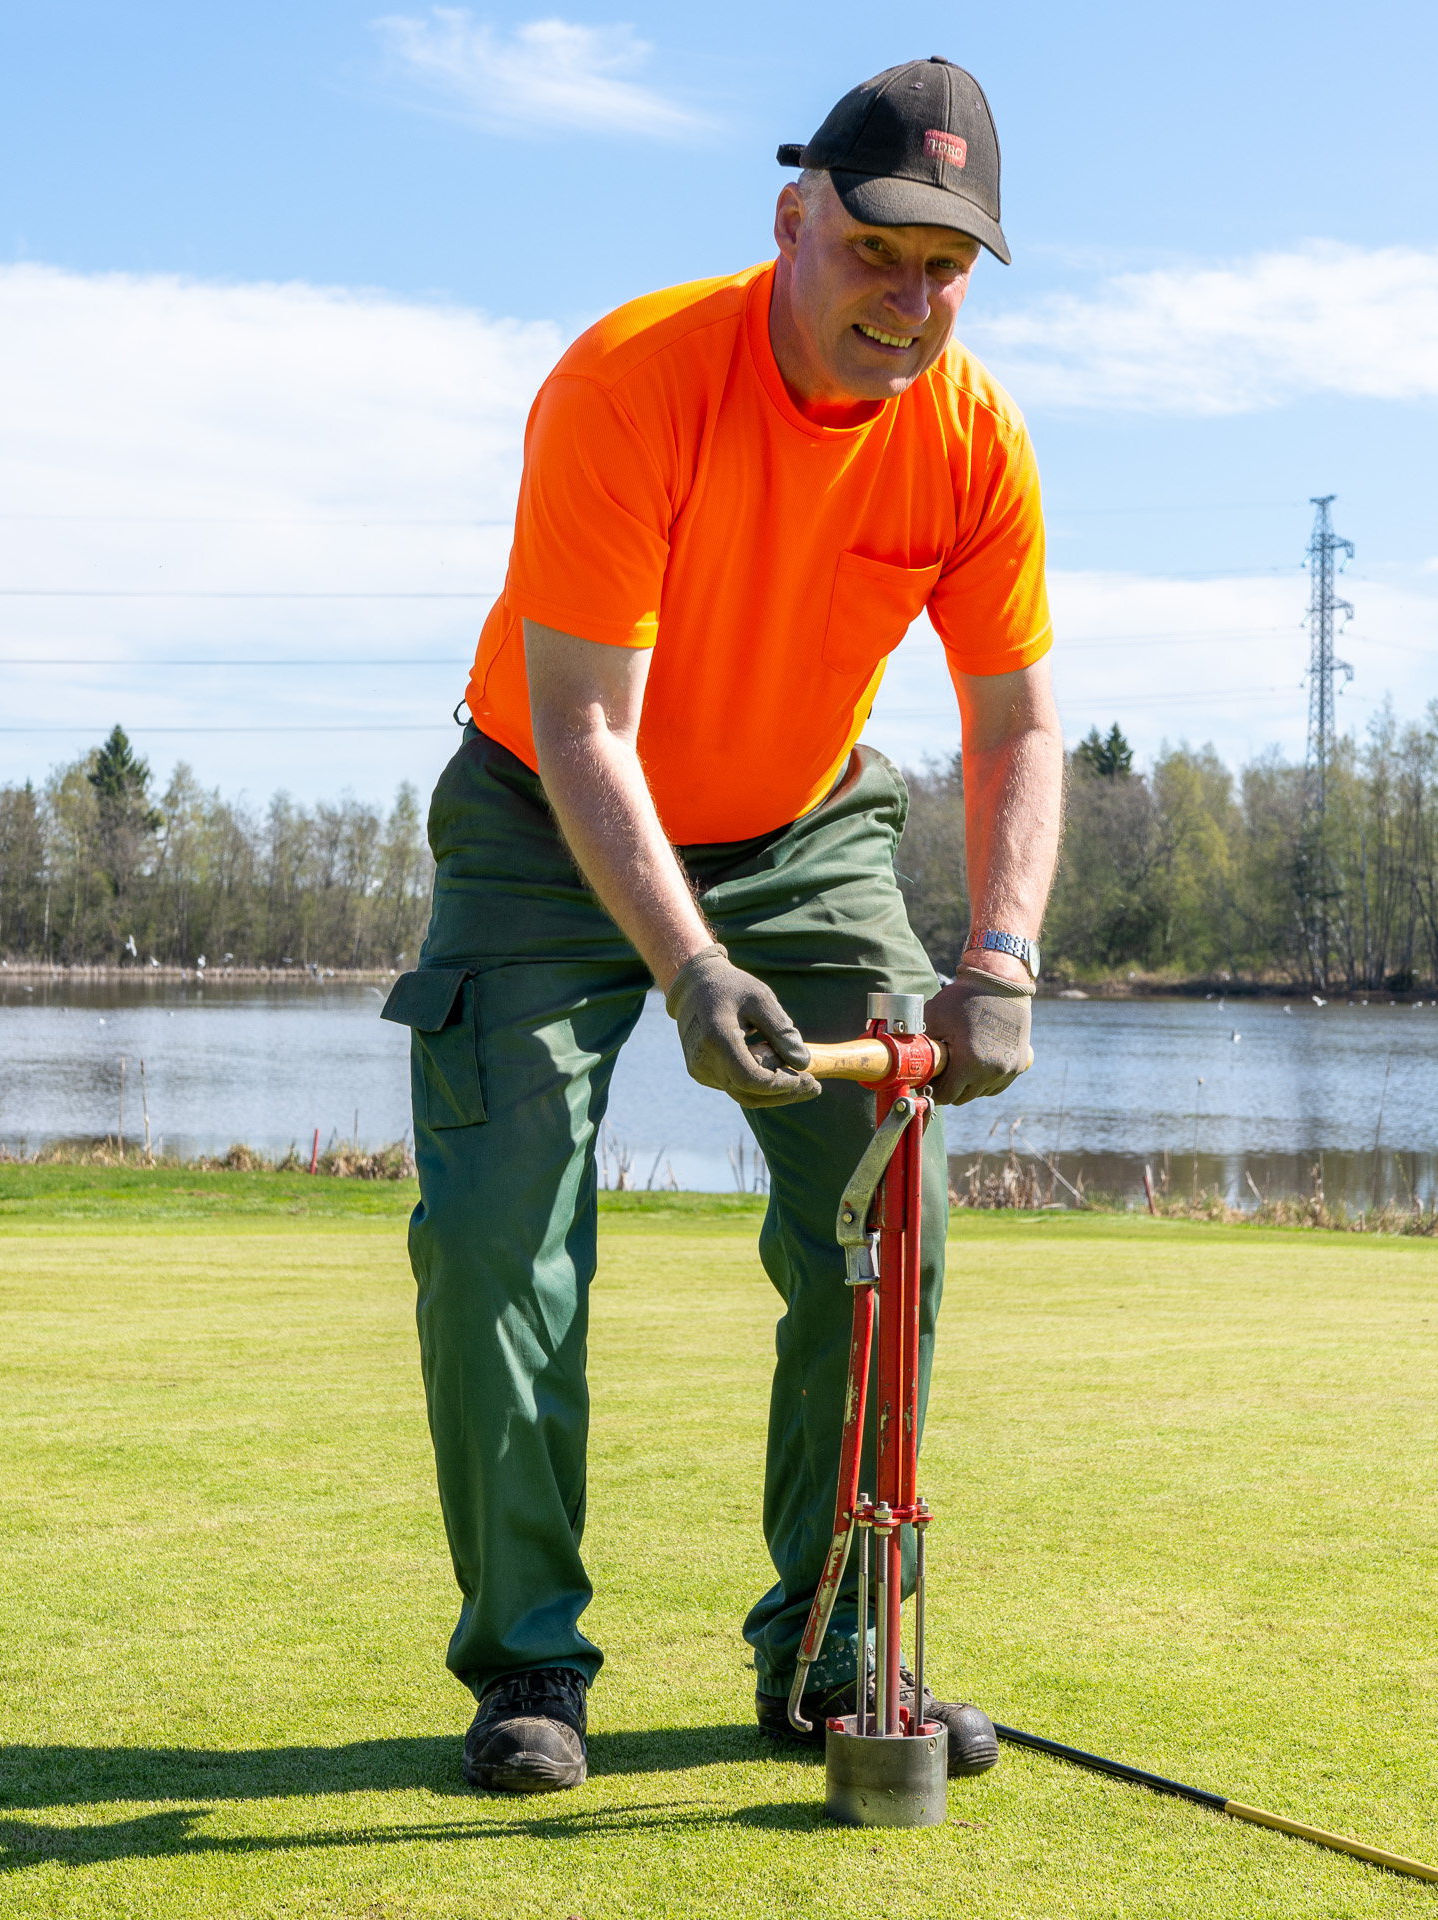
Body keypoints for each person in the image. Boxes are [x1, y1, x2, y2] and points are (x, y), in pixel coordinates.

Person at [383, 55, 1062, 1796]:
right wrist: (688, 970)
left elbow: (1014, 725)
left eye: (944, 273)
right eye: (876, 254)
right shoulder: (630, 382)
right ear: (793, 218)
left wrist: (997, 960)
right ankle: (527, 1664)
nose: (907, 305)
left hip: (806, 827)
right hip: (550, 818)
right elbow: (590, 723)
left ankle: (835, 1654)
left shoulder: (974, 442)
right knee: (497, 1240)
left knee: (877, 1210)